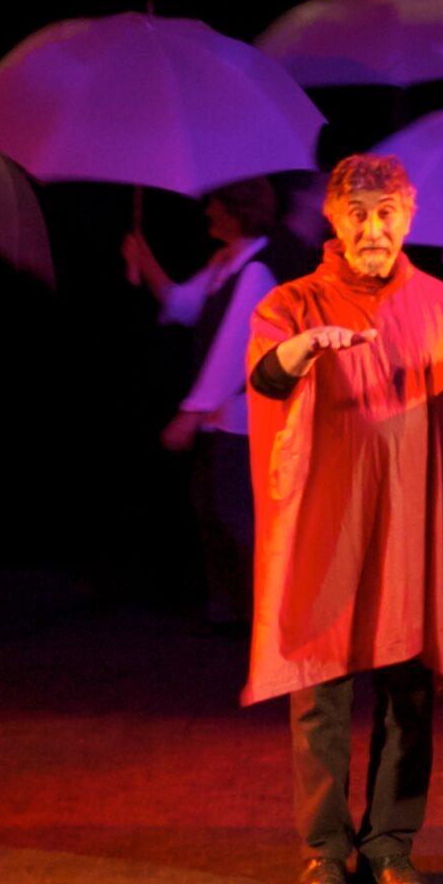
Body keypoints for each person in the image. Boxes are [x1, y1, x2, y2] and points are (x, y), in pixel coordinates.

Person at [242, 154, 443, 884]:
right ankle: (325, 849)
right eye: (357, 214)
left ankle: (391, 843)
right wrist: (303, 348)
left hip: (408, 533)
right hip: (326, 529)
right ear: (333, 218)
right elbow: (265, 375)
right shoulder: (293, 302)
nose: (372, 228)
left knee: (409, 692)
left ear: (408, 217)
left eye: (386, 213)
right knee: (320, 692)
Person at [123, 176, 282, 634]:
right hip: (222, 417)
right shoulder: (225, 263)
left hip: (246, 418)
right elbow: (183, 305)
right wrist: (145, 260)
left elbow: (234, 352)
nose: (208, 210)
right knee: (212, 508)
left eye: (215, 203)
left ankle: (265, 614)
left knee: (235, 513)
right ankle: (231, 609)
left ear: (236, 209)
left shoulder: (256, 273)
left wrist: (189, 415)